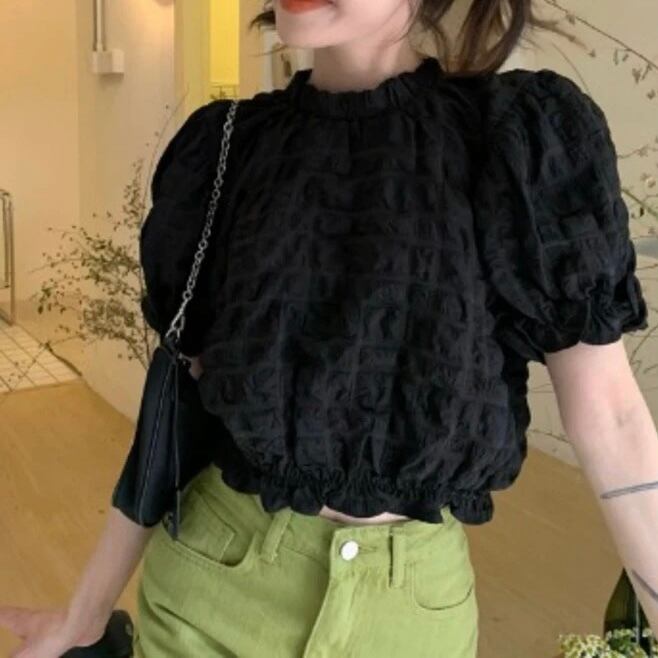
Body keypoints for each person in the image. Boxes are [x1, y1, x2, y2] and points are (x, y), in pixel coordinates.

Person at [2, 0, 658, 656]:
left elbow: (612, 417)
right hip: (210, 591)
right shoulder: (226, 149)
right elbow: (176, 410)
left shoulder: (519, 138)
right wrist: (85, 612)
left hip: (410, 616)